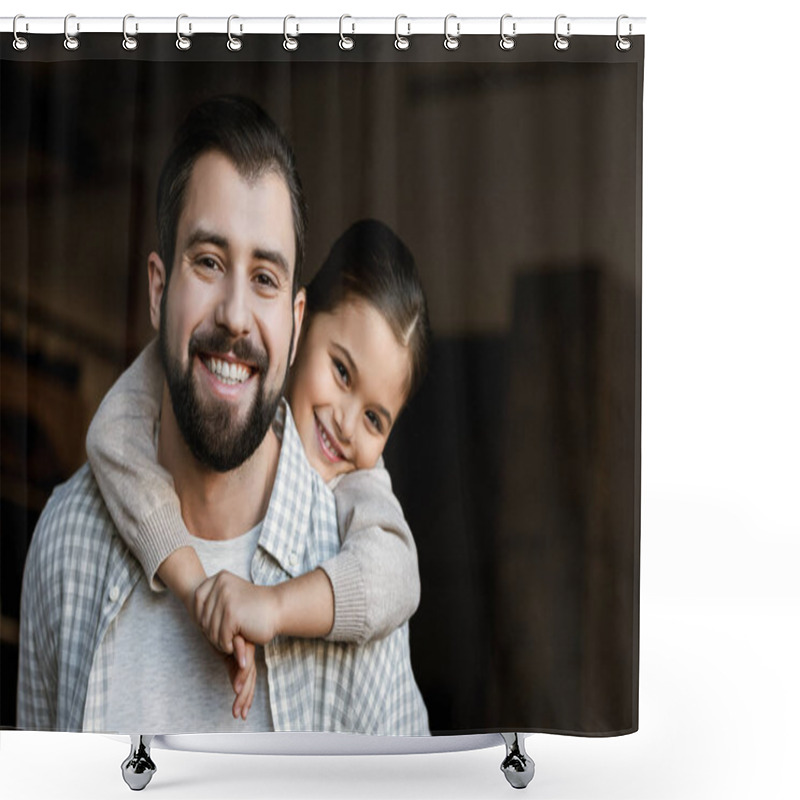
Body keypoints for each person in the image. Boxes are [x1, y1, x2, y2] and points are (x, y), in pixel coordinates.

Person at [17, 96, 429, 736]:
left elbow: (398, 575)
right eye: (208, 262)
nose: (236, 313)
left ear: (294, 326)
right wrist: (191, 582)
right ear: (159, 291)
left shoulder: (354, 576)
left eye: (265, 278)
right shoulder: (68, 541)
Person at [85, 219, 431, 720]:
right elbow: (112, 432)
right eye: (341, 372)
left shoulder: (360, 482)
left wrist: (274, 606)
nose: (346, 422)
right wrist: (192, 581)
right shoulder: (207, 382)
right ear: (300, 323)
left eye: (375, 418)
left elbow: (397, 574)